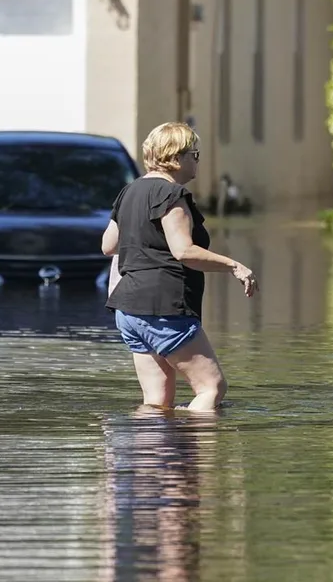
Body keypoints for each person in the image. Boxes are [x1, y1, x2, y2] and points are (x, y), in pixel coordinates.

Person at [101, 122, 258, 412]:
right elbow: (183, 251)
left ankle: (148, 455)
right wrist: (234, 265)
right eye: (194, 154)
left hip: (129, 309)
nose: (197, 161)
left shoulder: (129, 192)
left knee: (157, 401)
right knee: (211, 388)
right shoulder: (171, 195)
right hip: (164, 308)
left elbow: (108, 245)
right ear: (176, 156)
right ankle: (196, 456)